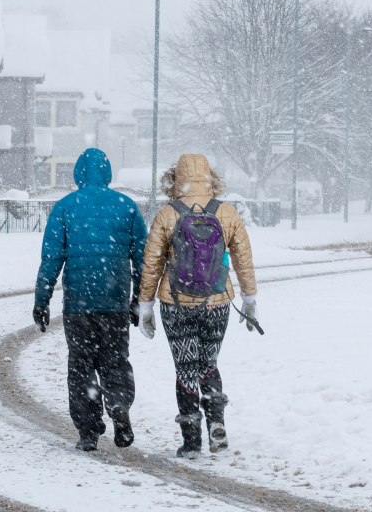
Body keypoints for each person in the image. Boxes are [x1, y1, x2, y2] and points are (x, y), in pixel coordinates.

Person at [136, 154, 258, 459]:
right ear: (211, 177)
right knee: (209, 363)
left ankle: (191, 441)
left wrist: (145, 305)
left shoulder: (167, 213)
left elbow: (151, 263)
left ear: (175, 179)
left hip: (175, 303)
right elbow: (243, 258)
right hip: (217, 302)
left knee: (185, 368)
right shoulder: (226, 212)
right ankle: (217, 424)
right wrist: (250, 297)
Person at [34, 148, 148, 452]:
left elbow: (51, 258)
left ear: (78, 174)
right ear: (107, 172)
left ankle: (88, 429)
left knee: (81, 365)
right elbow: (143, 259)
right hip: (114, 301)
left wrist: (41, 299)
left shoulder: (65, 207)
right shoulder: (127, 207)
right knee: (115, 361)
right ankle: (119, 407)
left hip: (78, 304)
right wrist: (139, 298)